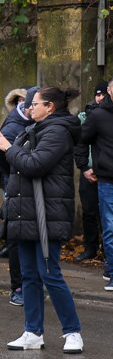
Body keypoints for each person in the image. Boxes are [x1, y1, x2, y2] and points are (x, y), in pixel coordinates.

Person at [0, 87, 84, 353]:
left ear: (50, 107)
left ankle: (73, 332)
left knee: (49, 274)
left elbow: (35, 165)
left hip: (47, 214)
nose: (29, 108)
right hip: (27, 212)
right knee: (29, 276)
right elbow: (14, 164)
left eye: (34, 104)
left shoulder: (57, 131)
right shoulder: (30, 129)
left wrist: (8, 147)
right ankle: (33, 332)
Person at [0, 86, 36, 304]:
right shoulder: (13, 126)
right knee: (17, 238)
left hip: (32, 188)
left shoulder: (38, 125)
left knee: (30, 239)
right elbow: (3, 160)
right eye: (33, 105)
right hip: (17, 187)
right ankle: (18, 287)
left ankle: (31, 285)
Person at [79, 74, 113, 289]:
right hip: (108, 179)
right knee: (110, 226)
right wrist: (84, 166)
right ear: (110, 90)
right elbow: (81, 142)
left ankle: (110, 266)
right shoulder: (98, 115)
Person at [73, 81, 108, 262]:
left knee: (107, 215)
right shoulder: (85, 116)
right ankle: (90, 248)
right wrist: (85, 168)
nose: (100, 98)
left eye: (103, 94)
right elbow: (79, 142)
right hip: (88, 172)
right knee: (89, 212)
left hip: (106, 173)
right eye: (97, 94)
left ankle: (106, 249)